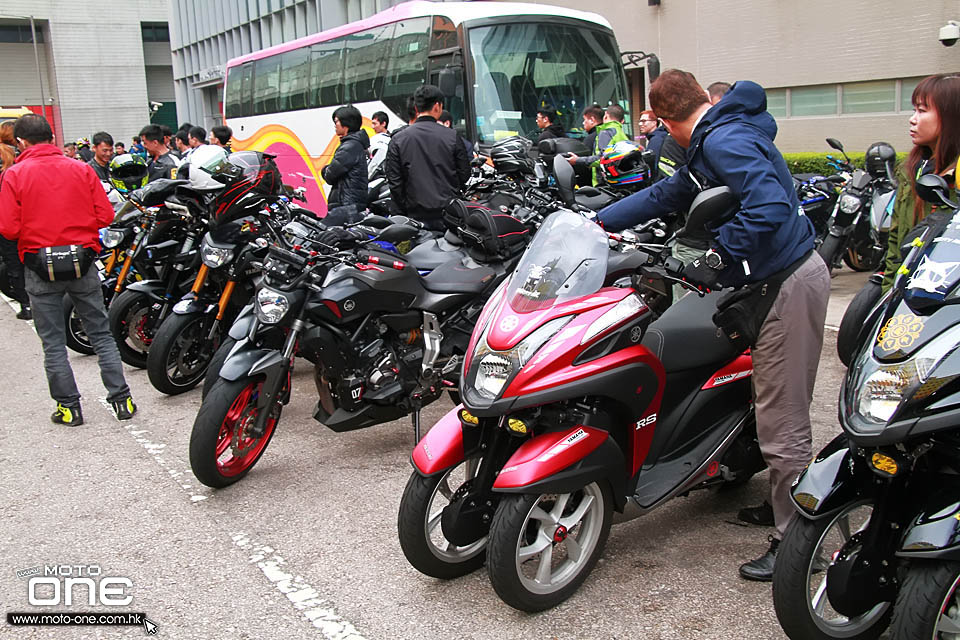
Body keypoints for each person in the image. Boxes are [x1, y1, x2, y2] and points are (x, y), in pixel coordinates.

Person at [597, 70, 830, 582]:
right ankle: (774, 494)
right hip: (765, 280)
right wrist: (596, 223)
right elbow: (669, 195)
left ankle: (798, 543)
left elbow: (769, 208)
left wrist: (720, 255)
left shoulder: (723, 139)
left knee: (782, 418)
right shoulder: (711, 139)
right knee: (757, 395)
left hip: (787, 282)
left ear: (663, 119)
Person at [0, 114, 137, 425]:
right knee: (101, 333)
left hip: (39, 265)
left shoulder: (15, 175)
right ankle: (122, 401)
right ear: (51, 137)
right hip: (82, 262)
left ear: (21, 142)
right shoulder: (81, 169)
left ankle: (68, 408)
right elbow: (105, 215)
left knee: (52, 341)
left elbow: (8, 228)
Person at [881, 74, 960, 292]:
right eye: (914, 110)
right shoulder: (910, 169)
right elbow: (895, 241)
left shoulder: (956, 178)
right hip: (905, 292)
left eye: (922, 111)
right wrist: (889, 290)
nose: (912, 119)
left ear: (951, 116)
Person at [384, 84, 470, 229]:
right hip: (448, 216)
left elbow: (395, 183)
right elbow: (464, 174)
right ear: (437, 106)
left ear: (416, 109)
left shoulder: (398, 139)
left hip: (415, 217)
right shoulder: (452, 137)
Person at [0, 120, 30, 319]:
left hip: (6, 218)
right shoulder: (21, 158)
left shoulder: (6, 158)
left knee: (13, 263)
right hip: (26, 216)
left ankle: (25, 304)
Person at [321, 105, 369, 225]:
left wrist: (324, 169)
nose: (334, 125)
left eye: (336, 121)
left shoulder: (349, 147)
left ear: (346, 123)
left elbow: (330, 175)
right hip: (350, 205)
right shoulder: (355, 144)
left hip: (346, 207)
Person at [567, 104, 628, 185]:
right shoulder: (621, 134)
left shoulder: (606, 133)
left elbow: (603, 158)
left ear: (606, 116)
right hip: (619, 180)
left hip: (605, 184)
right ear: (622, 120)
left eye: (584, 120)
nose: (583, 123)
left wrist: (577, 160)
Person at [368, 111, 391, 177]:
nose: (372, 127)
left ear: (383, 124)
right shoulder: (374, 140)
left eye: (375, 124)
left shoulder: (391, 139)